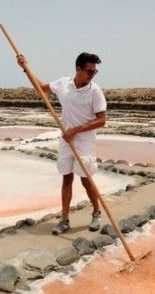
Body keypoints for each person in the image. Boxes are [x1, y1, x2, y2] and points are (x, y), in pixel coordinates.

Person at [17, 52, 107, 235]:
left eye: (95, 72)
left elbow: (102, 120)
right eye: (89, 71)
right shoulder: (63, 84)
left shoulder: (94, 91)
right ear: (78, 69)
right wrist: (25, 68)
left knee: (85, 179)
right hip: (66, 138)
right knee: (66, 177)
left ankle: (97, 212)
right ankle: (64, 220)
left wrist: (75, 130)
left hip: (84, 139)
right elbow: (41, 88)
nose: (92, 75)